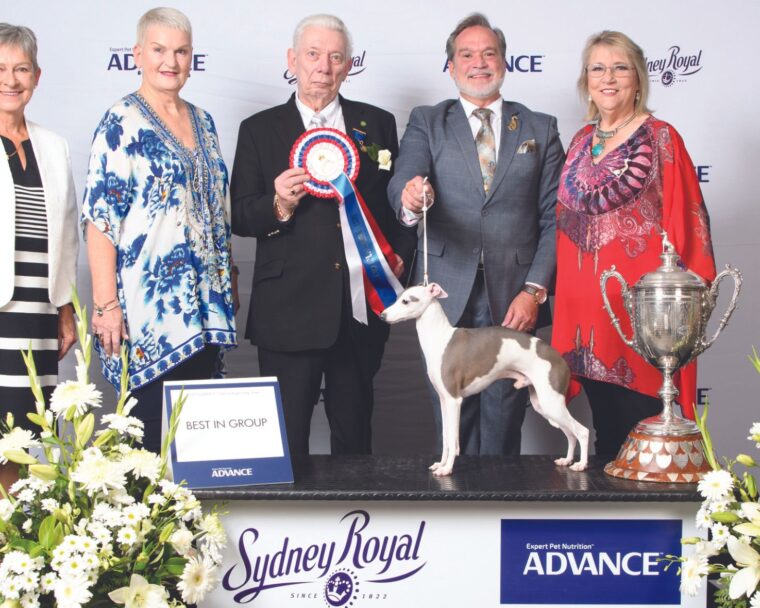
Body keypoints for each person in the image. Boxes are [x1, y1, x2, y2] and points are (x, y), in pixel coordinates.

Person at [231, 14, 415, 456]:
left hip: (358, 313)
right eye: (313, 55)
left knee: (354, 441)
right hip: (286, 312)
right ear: (292, 60)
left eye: (335, 57)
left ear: (349, 64)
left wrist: (399, 257)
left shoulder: (378, 124)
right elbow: (240, 216)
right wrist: (279, 204)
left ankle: (354, 525)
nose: (324, 67)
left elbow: (395, 208)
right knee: (285, 443)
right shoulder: (258, 129)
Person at [388, 13, 564, 457]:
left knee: (505, 414)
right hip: (445, 291)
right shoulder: (428, 121)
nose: (479, 63)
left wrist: (535, 290)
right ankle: (456, 507)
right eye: (467, 55)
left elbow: (554, 217)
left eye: (489, 53)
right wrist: (410, 196)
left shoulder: (539, 127)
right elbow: (403, 181)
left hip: (515, 292)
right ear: (451, 66)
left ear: (505, 63)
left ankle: (498, 507)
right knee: (452, 409)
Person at [551, 31, 716, 457]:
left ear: (638, 78)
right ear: (586, 80)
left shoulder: (662, 138)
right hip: (583, 317)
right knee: (605, 436)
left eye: (620, 67)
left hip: (641, 320)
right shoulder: (578, 141)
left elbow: (689, 223)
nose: (609, 78)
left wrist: (684, 310)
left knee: (640, 435)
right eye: (598, 68)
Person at [82, 7, 236, 454]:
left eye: (181, 51)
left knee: (198, 448)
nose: (171, 61)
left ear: (192, 58)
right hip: (148, 314)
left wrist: (230, 278)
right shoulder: (122, 120)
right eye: (159, 49)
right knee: (150, 446)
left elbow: (215, 211)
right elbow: (101, 220)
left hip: (206, 308)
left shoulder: (204, 121)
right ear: (137, 54)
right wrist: (106, 304)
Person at [0, 23, 78, 486]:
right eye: (1, 69)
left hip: (39, 312)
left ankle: (16, 549)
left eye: (21, 69)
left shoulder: (54, 145)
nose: (11, 80)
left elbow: (66, 234)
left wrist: (65, 309)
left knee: (29, 437)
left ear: (37, 76)